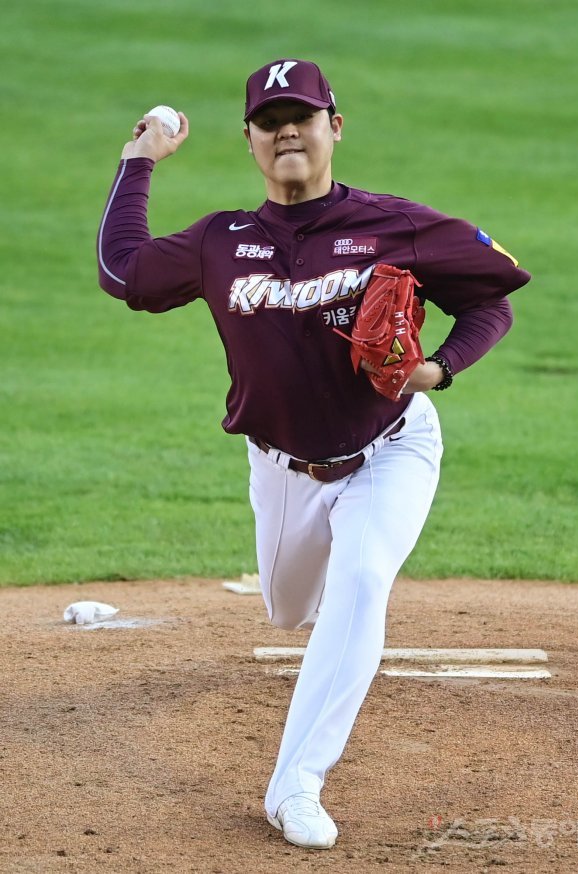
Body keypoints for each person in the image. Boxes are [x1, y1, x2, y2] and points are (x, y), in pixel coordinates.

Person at [97, 59, 530, 850]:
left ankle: (295, 785)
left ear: (335, 127)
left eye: (301, 116)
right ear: (250, 140)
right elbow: (121, 272)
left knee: (361, 583)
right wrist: (138, 161)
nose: (286, 131)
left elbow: (491, 297)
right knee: (289, 610)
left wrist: (438, 369)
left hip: (392, 447)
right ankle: (321, 614)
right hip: (282, 469)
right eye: (269, 121)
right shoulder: (221, 241)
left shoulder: (396, 225)